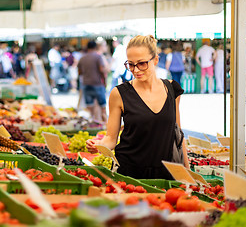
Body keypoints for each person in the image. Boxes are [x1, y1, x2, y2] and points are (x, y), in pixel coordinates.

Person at [86, 35, 189, 179]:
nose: (135, 70)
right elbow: (111, 138)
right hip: (129, 173)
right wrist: (98, 145)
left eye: (141, 63)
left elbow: (178, 133)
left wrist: (188, 172)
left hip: (165, 173)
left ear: (156, 60)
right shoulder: (119, 93)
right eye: (130, 64)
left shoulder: (172, 90)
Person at [78, 41, 107, 122]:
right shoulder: (98, 57)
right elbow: (101, 70)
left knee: (89, 108)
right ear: (95, 47)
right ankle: (105, 125)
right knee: (102, 107)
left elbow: (80, 72)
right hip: (97, 83)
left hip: (86, 84)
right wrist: (104, 82)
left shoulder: (82, 58)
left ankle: (91, 124)